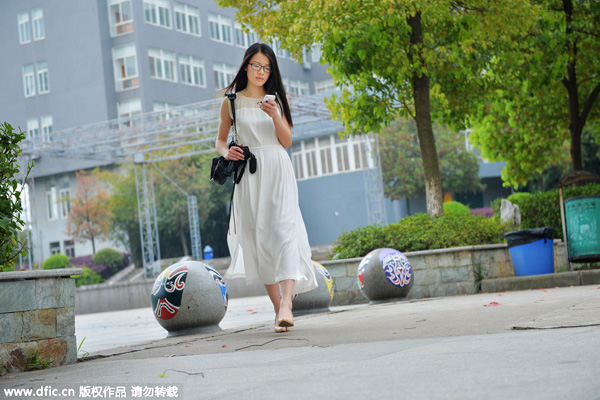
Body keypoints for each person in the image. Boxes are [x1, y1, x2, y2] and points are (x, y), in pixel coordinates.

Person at [215, 43, 317, 333]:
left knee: (284, 230)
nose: (261, 72)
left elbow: (287, 141)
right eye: (257, 65)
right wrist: (227, 153)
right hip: (250, 173)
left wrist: (274, 115)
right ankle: (278, 310)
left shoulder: (276, 100)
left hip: (277, 167)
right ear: (246, 65)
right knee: (259, 239)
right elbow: (220, 140)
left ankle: (287, 303)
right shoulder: (231, 101)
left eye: (267, 67)